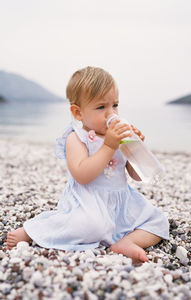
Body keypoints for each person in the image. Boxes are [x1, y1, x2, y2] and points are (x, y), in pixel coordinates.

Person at [6, 66, 169, 263]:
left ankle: (127, 242)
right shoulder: (76, 139)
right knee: (91, 227)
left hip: (122, 200)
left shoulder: (117, 136)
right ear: (78, 113)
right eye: (101, 107)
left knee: (159, 221)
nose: (111, 114)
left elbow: (135, 175)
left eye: (115, 105)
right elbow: (82, 175)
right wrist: (109, 145)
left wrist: (135, 149)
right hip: (88, 201)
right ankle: (32, 231)